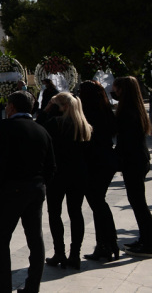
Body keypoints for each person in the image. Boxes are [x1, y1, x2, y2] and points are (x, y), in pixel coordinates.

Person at [0, 90, 56, 293]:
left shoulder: (6, 127)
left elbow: (0, 159)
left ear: (12, 107)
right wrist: (40, 183)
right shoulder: (41, 130)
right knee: (35, 238)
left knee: (1, 239)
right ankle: (33, 286)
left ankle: (4, 286)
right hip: (35, 188)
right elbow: (51, 166)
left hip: (11, 189)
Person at [42, 92, 91, 270]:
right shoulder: (83, 125)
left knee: (55, 213)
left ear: (62, 106)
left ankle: (59, 252)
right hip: (78, 173)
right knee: (76, 212)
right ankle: (75, 254)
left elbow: (40, 131)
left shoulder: (55, 123)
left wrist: (46, 111)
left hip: (58, 174)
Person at [78, 80, 119, 261]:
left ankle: (106, 244)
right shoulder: (106, 110)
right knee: (99, 203)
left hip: (94, 162)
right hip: (107, 159)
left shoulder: (87, 113)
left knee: (97, 203)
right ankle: (108, 243)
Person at [112, 76, 152, 256]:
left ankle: (149, 242)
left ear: (123, 90)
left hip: (133, 161)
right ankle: (145, 238)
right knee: (138, 202)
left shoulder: (128, 112)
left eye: (116, 89)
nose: (114, 92)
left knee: (138, 203)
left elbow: (125, 141)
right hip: (138, 159)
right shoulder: (135, 108)